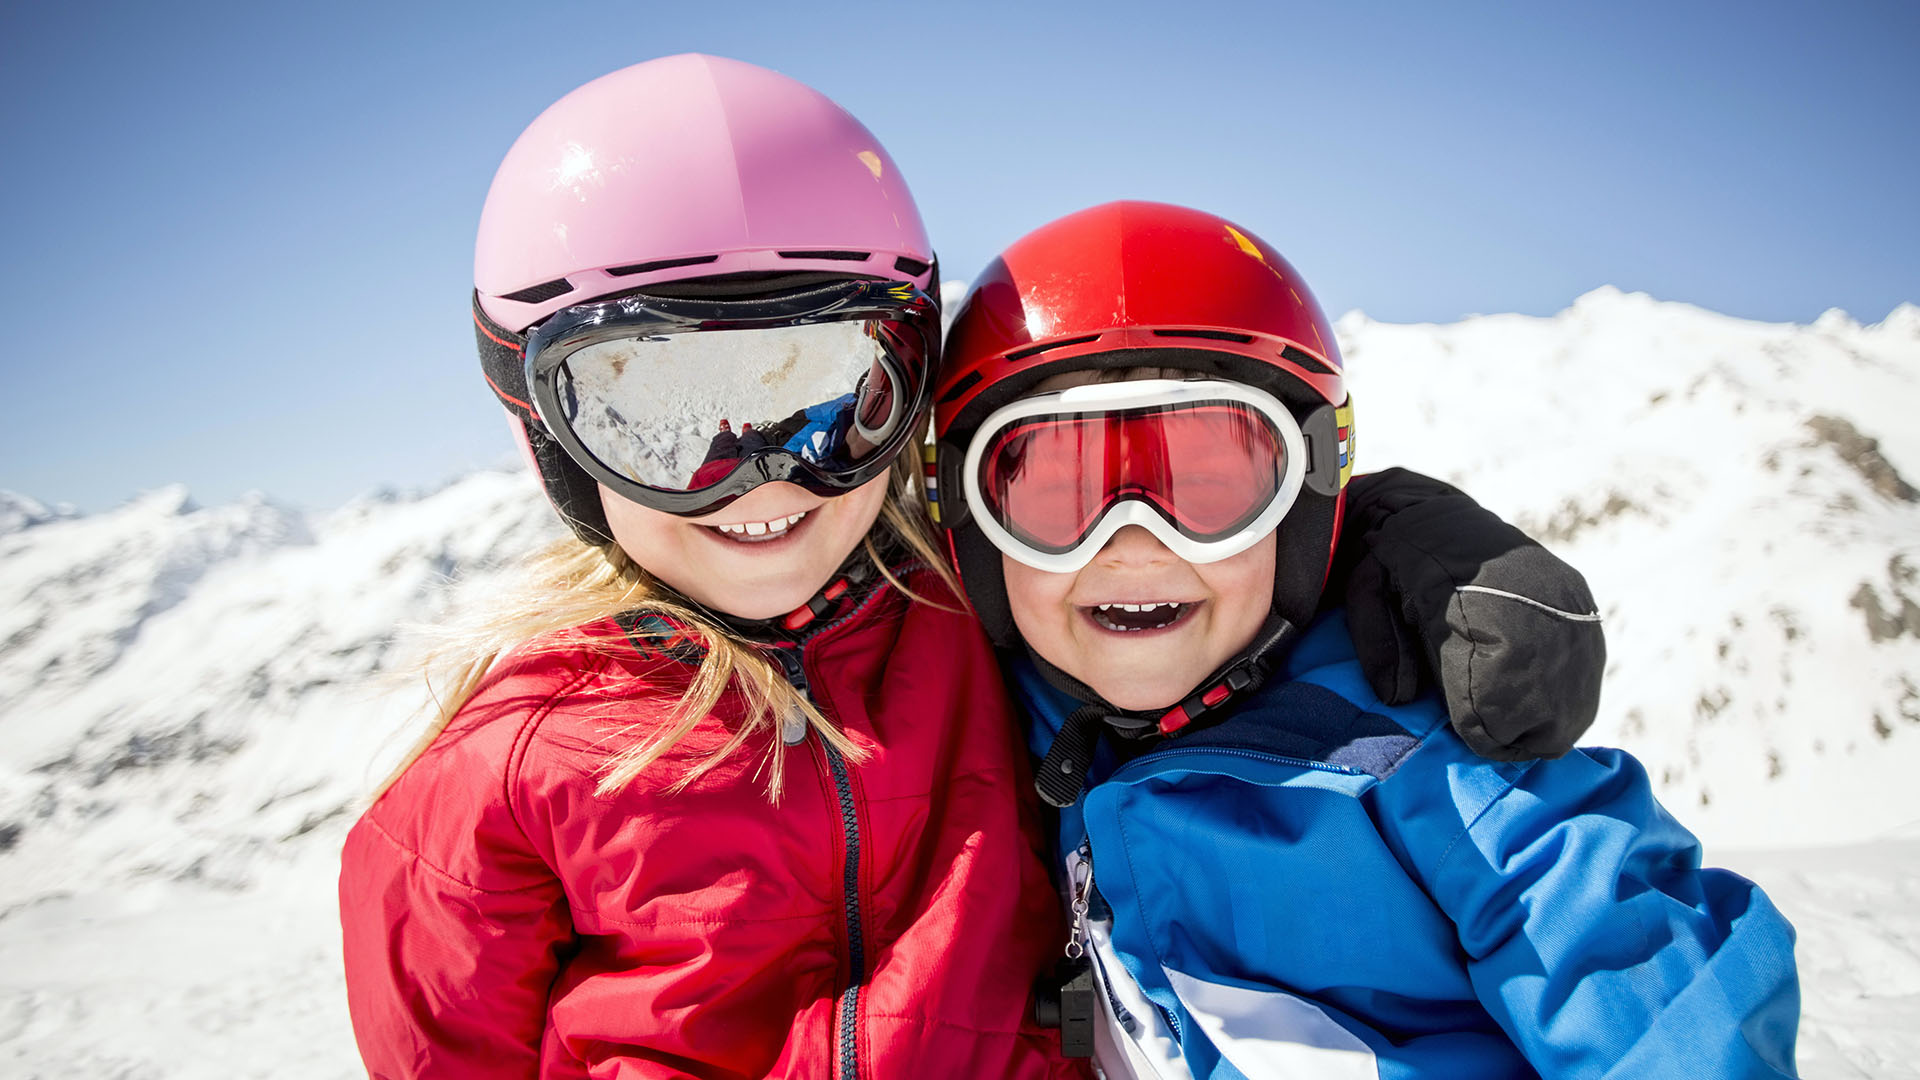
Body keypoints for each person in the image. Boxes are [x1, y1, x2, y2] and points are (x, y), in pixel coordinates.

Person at [339, 58, 1605, 1078]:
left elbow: (1167, 541)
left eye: (824, 394)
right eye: (659, 417)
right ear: (541, 424)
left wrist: (1395, 535)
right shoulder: (495, 783)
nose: (767, 479)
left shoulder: (971, 603)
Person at [929, 200, 1801, 1077]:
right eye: (1053, 493)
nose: (1133, 543)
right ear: (971, 520)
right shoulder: (1001, 719)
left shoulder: (1418, 751)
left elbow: (1644, 979)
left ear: (1303, 505)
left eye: (1209, 487)